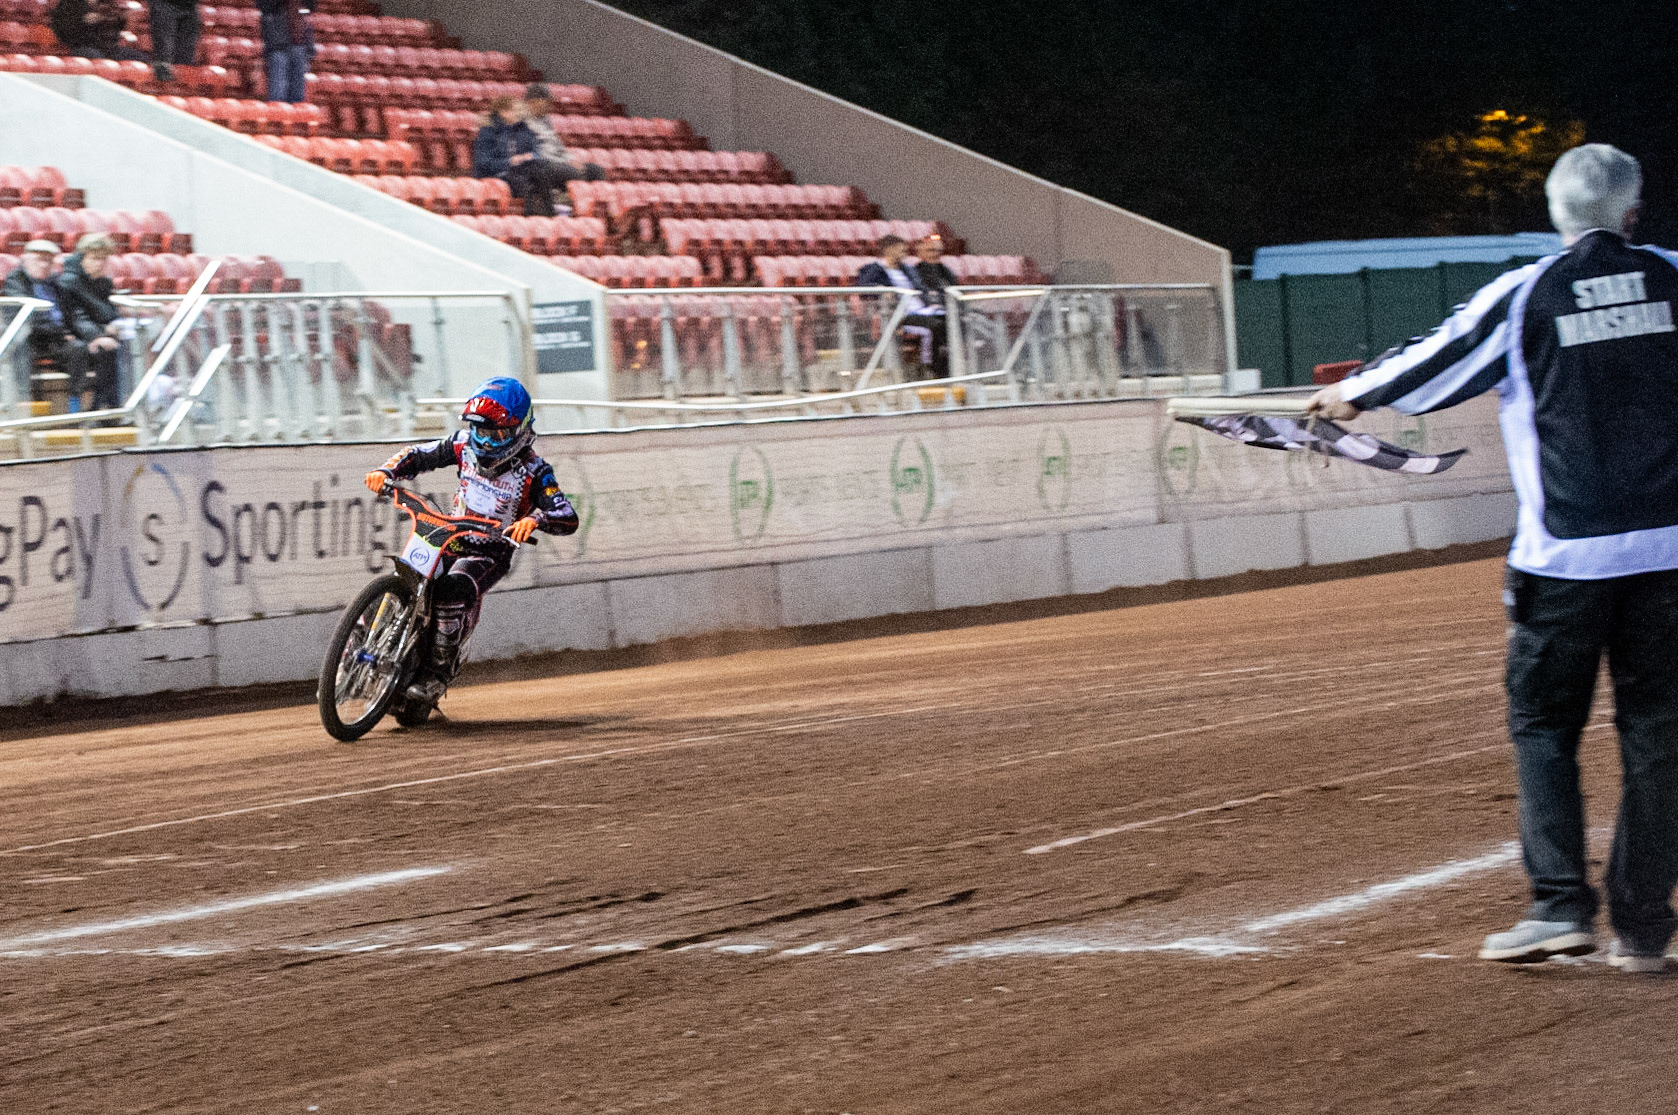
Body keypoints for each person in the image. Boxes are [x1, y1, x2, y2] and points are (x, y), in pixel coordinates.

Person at [1308, 143, 1678, 974]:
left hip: (1564, 561)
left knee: (1544, 725)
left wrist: (1350, 394)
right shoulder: (1674, 278)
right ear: (1632, 208)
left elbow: (1435, 362)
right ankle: (1646, 926)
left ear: (1556, 214)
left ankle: (1558, 907)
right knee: (1660, 736)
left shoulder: (1523, 295)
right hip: (1670, 557)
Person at [363, 376, 579, 704]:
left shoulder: (536, 471)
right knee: (403, 576)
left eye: (497, 434)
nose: (487, 442)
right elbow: (419, 455)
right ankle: (356, 644)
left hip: (489, 550)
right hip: (447, 534)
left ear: (521, 429)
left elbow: (567, 515)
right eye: (480, 431)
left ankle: (437, 673)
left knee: (451, 590)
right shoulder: (462, 445)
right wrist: (386, 471)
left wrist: (533, 519)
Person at [2, 239, 83, 407]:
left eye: (49, 260)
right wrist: (60, 332)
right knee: (20, 341)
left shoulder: (56, 283)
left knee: (79, 348)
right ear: (25, 259)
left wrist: (70, 333)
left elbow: (68, 313)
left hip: (55, 338)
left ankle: (74, 403)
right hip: (32, 336)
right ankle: (21, 400)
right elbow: (30, 317)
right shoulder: (15, 280)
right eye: (40, 259)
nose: (44, 265)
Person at [857, 234, 948, 378]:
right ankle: (930, 367)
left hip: (922, 310)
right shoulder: (874, 269)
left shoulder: (908, 270)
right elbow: (863, 289)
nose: (904, 254)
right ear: (889, 250)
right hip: (900, 314)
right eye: (901, 251)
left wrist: (931, 302)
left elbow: (921, 289)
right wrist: (882, 289)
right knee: (935, 326)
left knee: (951, 322)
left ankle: (943, 366)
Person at [55, 233, 124, 413]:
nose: (100, 263)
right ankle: (100, 407)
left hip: (96, 334)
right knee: (105, 348)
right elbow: (76, 318)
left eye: (103, 259)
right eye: (94, 258)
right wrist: (98, 336)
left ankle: (110, 405)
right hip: (72, 338)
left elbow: (109, 313)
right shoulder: (68, 282)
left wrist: (114, 325)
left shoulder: (103, 283)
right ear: (81, 258)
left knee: (124, 345)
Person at [472, 97, 561, 218]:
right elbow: (483, 163)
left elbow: (537, 152)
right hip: (497, 173)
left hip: (521, 171)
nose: (520, 114)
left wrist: (529, 156)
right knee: (532, 178)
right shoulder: (488, 132)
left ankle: (546, 215)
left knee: (541, 168)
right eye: (516, 110)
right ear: (503, 112)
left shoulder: (523, 130)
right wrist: (510, 161)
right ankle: (543, 215)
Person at [522, 83, 605, 191]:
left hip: (556, 162)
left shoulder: (545, 120)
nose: (550, 105)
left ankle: (590, 201)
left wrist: (570, 159)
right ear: (533, 101)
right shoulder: (522, 120)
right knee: (571, 171)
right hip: (539, 163)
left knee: (595, 170)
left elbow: (557, 145)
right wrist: (564, 162)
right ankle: (568, 199)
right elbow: (536, 150)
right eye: (547, 101)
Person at [255, 0, 313, 104]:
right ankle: (278, 117)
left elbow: (312, 6)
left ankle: (296, 117)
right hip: (277, 43)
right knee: (278, 92)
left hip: (298, 41)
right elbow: (263, 5)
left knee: (298, 94)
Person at [49, 0, 129, 59]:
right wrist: (83, 21)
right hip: (81, 46)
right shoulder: (69, 4)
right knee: (94, 56)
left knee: (132, 55)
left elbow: (116, 27)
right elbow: (62, 28)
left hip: (109, 47)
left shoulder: (107, 3)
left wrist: (122, 19)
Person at [147, 0, 201, 82]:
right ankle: (163, 82)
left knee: (186, 54)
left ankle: (182, 85)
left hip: (190, 6)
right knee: (164, 49)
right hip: (165, 3)